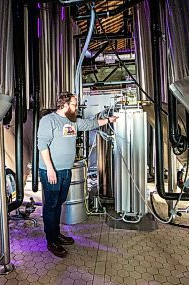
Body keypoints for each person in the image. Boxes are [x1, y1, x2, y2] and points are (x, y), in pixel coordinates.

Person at [37, 91, 118, 257]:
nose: (76, 107)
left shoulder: (72, 122)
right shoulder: (49, 120)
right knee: (51, 205)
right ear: (64, 105)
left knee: (58, 203)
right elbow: (42, 146)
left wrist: (110, 119)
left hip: (66, 170)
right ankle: (51, 241)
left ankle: (57, 234)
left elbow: (90, 124)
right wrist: (50, 169)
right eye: (74, 104)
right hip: (51, 171)